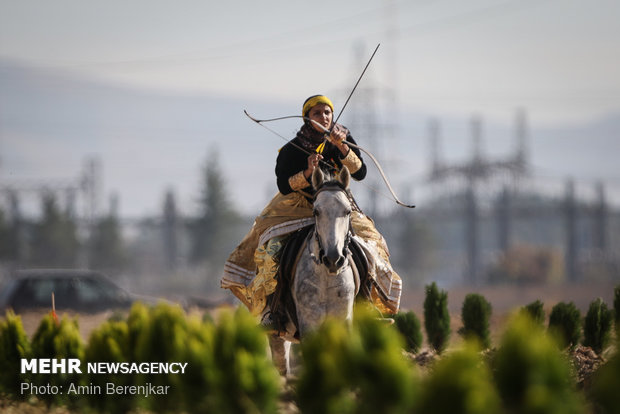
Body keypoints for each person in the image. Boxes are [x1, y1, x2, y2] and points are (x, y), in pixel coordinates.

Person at [221, 95, 401, 323]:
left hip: (335, 206)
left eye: (327, 112)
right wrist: (307, 173)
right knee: (271, 248)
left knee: (372, 246)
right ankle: (273, 311)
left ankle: (367, 305)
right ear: (307, 117)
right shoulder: (291, 149)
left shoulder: (343, 138)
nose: (324, 117)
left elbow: (360, 172)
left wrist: (342, 147)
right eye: (317, 113)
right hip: (297, 207)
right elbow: (284, 186)